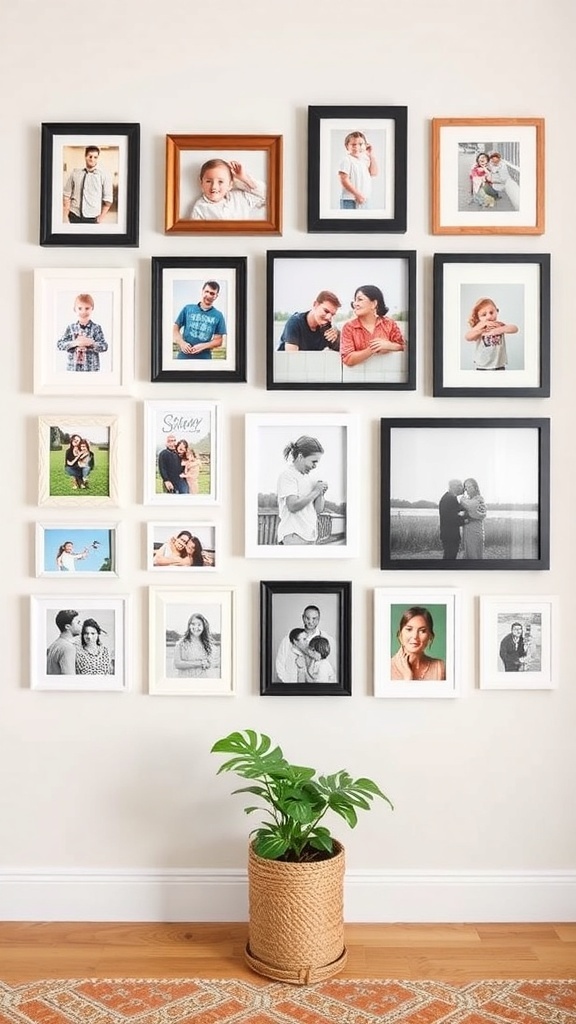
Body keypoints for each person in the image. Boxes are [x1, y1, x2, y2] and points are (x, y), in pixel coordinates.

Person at [276, 435, 328, 545]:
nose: (315, 466)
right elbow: (293, 506)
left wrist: (321, 493)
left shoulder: (310, 478)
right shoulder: (288, 475)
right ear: (300, 457)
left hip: (310, 536)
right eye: (313, 461)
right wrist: (315, 492)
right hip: (293, 535)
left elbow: (318, 509)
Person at [340, 285, 405, 367]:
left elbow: (404, 346)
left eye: (360, 299)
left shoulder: (389, 324)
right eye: (355, 301)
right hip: (359, 376)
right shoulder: (349, 327)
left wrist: (389, 345)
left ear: (374, 304)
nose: (355, 304)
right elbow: (347, 358)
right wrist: (372, 349)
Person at [275, 605, 336, 682]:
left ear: (318, 619)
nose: (310, 622)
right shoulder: (288, 639)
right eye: (307, 618)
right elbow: (279, 665)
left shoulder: (329, 640)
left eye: (314, 618)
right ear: (303, 618)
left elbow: (334, 671)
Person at [191, 159, 266, 220]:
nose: (214, 186)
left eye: (220, 181)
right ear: (201, 184)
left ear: (230, 185)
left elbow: (267, 195)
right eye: (208, 181)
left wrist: (244, 178)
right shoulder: (200, 207)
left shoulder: (240, 198)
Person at [172, 281, 227, 360]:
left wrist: (203, 346)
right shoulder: (187, 308)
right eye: (206, 291)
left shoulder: (218, 315)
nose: (208, 295)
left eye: (212, 293)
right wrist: (181, 343)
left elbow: (218, 341)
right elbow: (175, 329)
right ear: (202, 291)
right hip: (183, 358)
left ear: (216, 296)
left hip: (204, 360)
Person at [390, 607, 446, 681]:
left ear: (430, 636)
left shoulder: (439, 667)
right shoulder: (385, 668)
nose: (415, 636)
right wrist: (408, 677)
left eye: (422, 631)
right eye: (409, 629)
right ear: (400, 634)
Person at [57, 294, 109, 372]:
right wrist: (75, 343)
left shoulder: (96, 328)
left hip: (91, 370)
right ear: (75, 309)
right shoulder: (71, 328)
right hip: (73, 370)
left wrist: (91, 343)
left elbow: (104, 346)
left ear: (92, 309)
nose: (83, 312)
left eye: (87, 308)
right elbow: (60, 345)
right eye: (80, 308)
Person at [465, 297, 519, 372]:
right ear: (479, 317)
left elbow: (515, 328)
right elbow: (468, 337)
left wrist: (500, 330)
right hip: (482, 365)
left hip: (499, 364)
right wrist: (480, 330)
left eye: (491, 312)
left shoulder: (499, 325)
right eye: (484, 315)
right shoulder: (480, 326)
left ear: (497, 311)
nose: (489, 316)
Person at [63, 145, 113, 224]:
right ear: (85, 156)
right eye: (90, 156)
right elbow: (66, 194)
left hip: (93, 218)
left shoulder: (104, 176)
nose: (92, 159)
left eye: (95, 157)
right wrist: (66, 213)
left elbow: (108, 200)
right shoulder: (75, 173)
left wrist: (101, 217)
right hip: (74, 216)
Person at [277, 291, 341, 352]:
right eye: (326, 311)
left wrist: (337, 336)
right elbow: (292, 358)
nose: (329, 318)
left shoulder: (327, 329)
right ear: (315, 304)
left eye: (332, 315)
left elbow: (346, 350)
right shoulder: (295, 323)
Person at [338, 130, 378, 209]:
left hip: (364, 199)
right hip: (350, 199)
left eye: (360, 144)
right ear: (347, 146)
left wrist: (371, 155)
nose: (357, 147)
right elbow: (343, 180)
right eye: (353, 144)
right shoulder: (347, 160)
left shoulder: (365, 160)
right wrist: (357, 195)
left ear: (365, 146)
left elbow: (374, 173)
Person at [173, 613, 218, 677]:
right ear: (189, 626)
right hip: (185, 681)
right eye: (193, 624)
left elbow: (210, 664)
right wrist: (200, 663)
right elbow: (177, 664)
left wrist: (208, 664)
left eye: (199, 625)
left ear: (203, 627)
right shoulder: (180, 644)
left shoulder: (208, 645)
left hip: (202, 680)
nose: (196, 627)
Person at [46, 609, 81, 674]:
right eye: (78, 622)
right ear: (67, 626)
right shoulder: (68, 647)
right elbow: (69, 679)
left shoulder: (53, 645)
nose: (81, 625)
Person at [460, 477, 487, 559]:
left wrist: (462, 498)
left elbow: (472, 507)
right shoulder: (469, 500)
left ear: (476, 487)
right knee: (468, 556)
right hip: (468, 533)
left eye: (469, 487)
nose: (467, 490)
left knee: (474, 556)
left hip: (475, 533)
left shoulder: (479, 500)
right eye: (465, 488)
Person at [438, 479, 465, 559]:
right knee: (450, 557)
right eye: (460, 485)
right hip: (451, 535)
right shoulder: (451, 499)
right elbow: (453, 519)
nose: (462, 488)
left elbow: (456, 511)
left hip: (446, 534)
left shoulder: (447, 497)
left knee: (448, 556)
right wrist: (465, 520)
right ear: (453, 487)